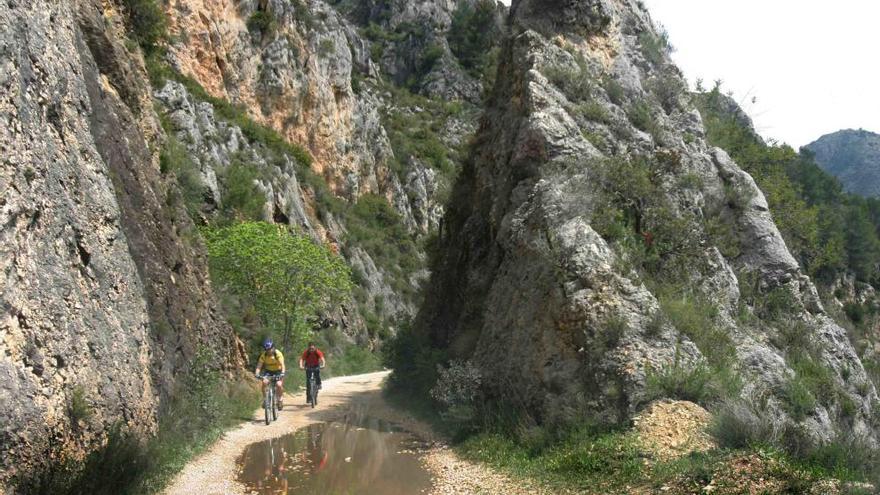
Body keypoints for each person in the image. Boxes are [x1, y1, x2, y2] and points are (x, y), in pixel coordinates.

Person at [255, 338, 285, 410]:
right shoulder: (263, 355)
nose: (268, 351)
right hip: (268, 371)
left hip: (278, 371)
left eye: (270, 349)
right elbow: (259, 366)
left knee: (279, 384)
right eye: (267, 349)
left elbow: (282, 365)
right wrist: (257, 373)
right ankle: (265, 399)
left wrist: (282, 373)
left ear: (273, 347)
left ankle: (280, 400)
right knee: (264, 382)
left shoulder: (278, 354)